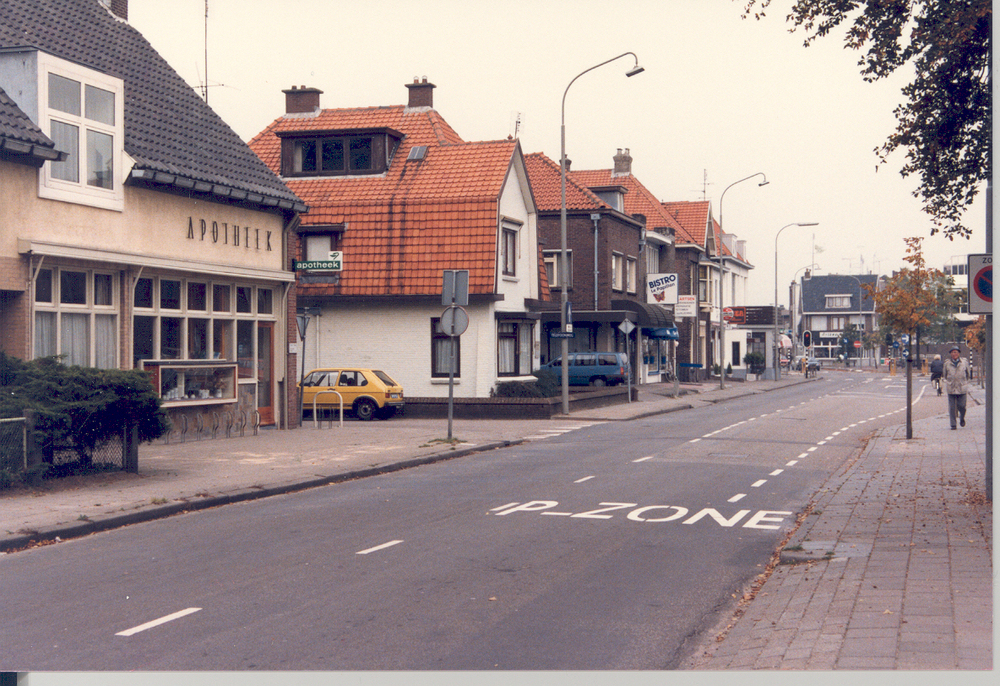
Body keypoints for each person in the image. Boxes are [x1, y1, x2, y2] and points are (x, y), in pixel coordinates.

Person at [943, 345, 970, 429]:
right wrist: (949, 382)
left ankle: (962, 417)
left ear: (958, 353)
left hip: (962, 387)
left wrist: (964, 382)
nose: (954, 354)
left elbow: (968, 374)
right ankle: (953, 424)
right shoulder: (947, 364)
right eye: (952, 352)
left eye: (955, 352)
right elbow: (945, 375)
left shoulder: (964, 362)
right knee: (952, 408)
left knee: (962, 406)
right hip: (951, 387)